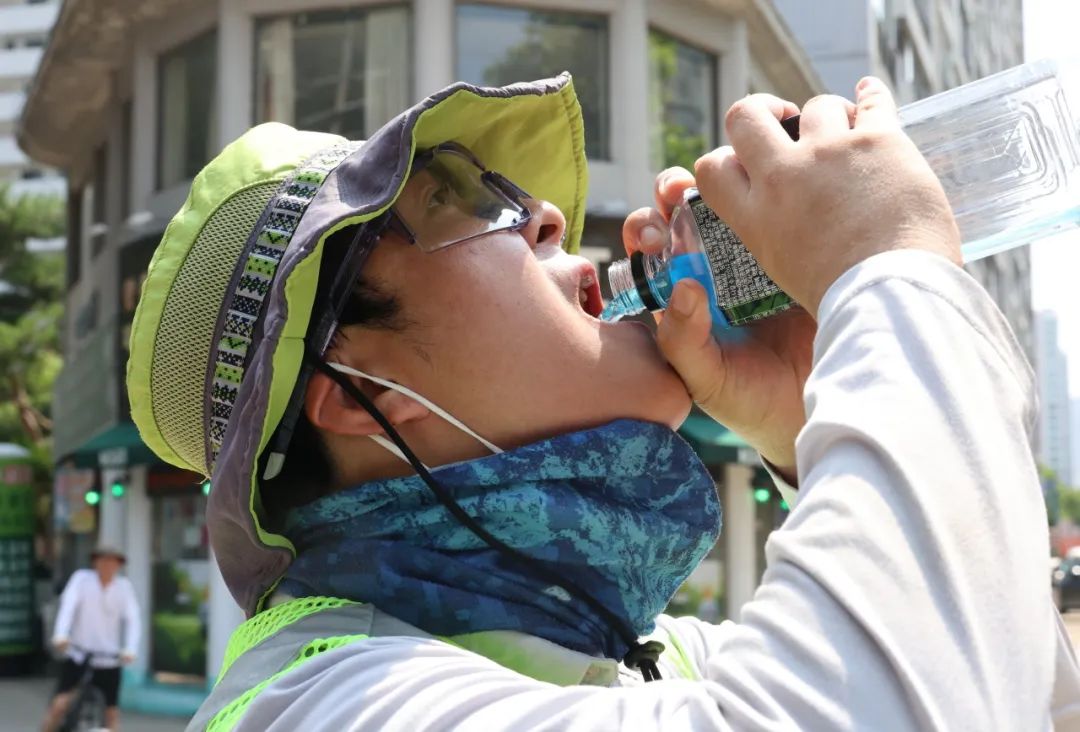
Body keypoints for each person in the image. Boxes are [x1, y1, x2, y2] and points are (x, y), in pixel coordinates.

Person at [126, 73, 1079, 730]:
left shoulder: (641, 652)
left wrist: (801, 417)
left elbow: (1011, 691)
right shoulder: (323, 703)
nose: (545, 213)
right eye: (457, 197)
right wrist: (888, 272)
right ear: (357, 386)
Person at [42, 545, 140, 732]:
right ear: (95, 562)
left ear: (118, 565)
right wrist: (61, 635)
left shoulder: (124, 588)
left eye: (112, 561)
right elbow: (67, 608)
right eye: (103, 560)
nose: (107, 565)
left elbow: (133, 620)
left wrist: (130, 649)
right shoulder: (81, 580)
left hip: (109, 659)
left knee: (112, 714)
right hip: (79, 655)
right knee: (59, 706)